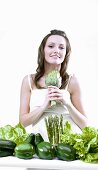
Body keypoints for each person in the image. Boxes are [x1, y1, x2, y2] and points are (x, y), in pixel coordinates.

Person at [19, 29, 88, 170]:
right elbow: (23, 122)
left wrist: (67, 103)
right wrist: (44, 106)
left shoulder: (72, 81)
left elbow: (85, 125)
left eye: (61, 47)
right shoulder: (28, 81)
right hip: (40, 151)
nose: (56, 50)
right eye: (51, 46)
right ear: (43, 50)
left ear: (66, 53)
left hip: (68, 152)